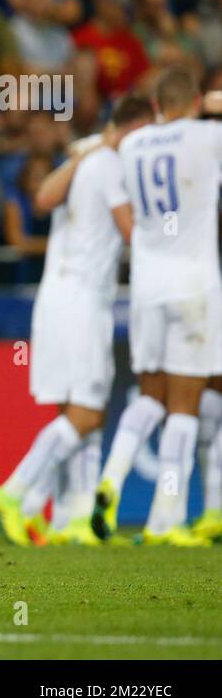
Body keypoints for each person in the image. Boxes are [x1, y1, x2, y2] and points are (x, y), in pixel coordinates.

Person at [0, 95, 153, 548]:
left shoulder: (87, 152)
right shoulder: (111, 163)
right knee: (87, 411)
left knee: (76, 412)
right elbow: (132, 233)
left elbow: (41, 199)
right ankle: (16, 492)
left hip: (56, 297)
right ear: (133, 128)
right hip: (82, 302)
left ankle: (71, 519)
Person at [89, 69, 222, 547]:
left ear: (159, 107)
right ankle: (166, 517)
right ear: (193, 102)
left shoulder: (132, 147)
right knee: (185, 407)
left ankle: (113, 476)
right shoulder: (209, 138)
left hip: (147, 286)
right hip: (192, 284)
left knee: (152, 395)